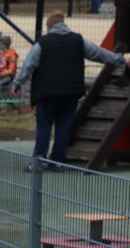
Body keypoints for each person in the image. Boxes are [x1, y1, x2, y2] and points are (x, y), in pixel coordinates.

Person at [13, 11, 130, 168]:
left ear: (49, 26)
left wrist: (17, 83)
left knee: (44, 126)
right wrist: (122, 59)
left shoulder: (43, 43)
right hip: (70, 93)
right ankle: (58, 161)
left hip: (46, 92)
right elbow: (99, 54)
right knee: (63, 126)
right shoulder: (78, 40)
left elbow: (29, 65)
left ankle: (38, 162)